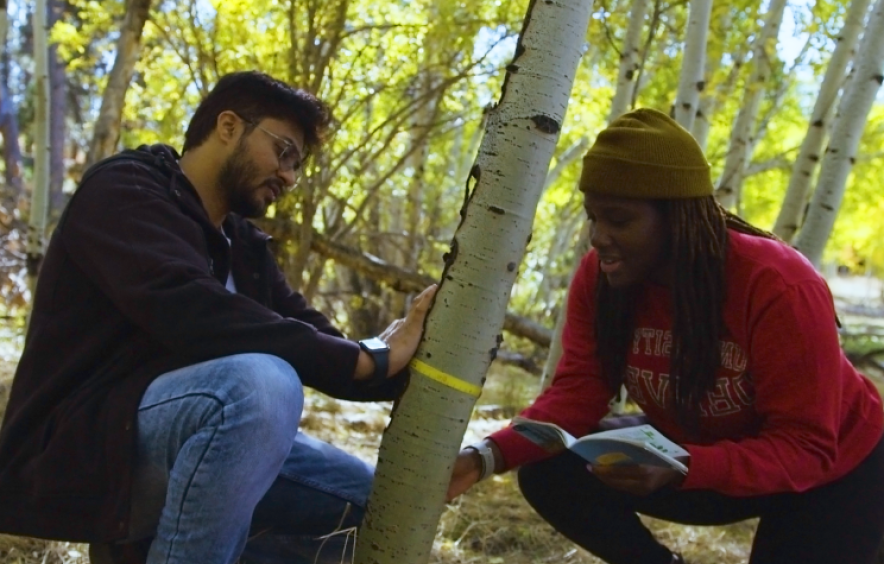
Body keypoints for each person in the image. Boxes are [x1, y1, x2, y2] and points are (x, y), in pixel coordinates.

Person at [0, 70, 437, 564]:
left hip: (192, 442)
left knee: (371, 501)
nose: (290, 177)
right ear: (228, 127)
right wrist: (364, 360)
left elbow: (312, 337)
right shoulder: (126, 189)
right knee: (260, 385)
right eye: (284, 152)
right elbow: (192, 309)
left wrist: (406, 358)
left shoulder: (242, 244)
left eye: (298, 165)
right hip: (91, 443)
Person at [448, 108, 884, 564]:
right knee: (550, 468)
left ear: (679, 218)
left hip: (833, 469)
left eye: (618, 219)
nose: (598, 237)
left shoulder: (776, 284)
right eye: (592, 217)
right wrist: (484, 457)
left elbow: (805, 448)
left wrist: (686, 467)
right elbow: (577, 394)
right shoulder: (602, 278)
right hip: (700, 455)